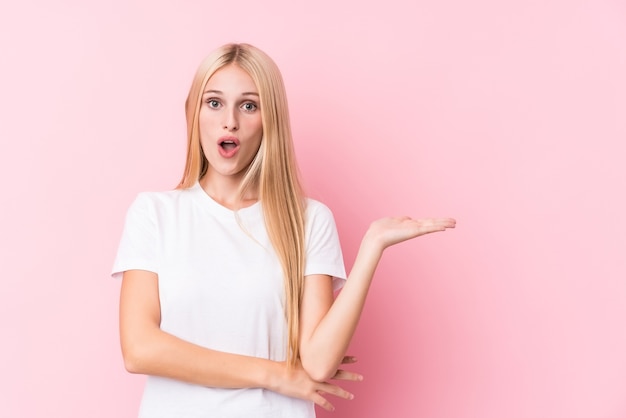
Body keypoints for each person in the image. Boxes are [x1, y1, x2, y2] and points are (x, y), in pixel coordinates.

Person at [112, 43, 455, 418]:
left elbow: (319, 364)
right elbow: (139, 348)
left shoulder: (308, 220)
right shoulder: (155, 214)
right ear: (193, 113)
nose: (230, 121)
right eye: (214, 103)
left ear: (270, 119)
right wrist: (274, 374)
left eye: (249, 105)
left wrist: (372, 247)